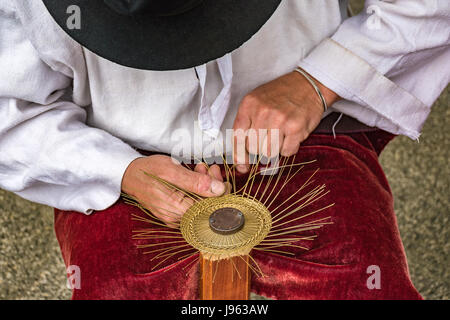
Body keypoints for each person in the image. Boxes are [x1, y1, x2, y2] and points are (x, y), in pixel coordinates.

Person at [0, 0, 448, 299]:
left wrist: (318, 81)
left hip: (306, 128)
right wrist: (119, 169)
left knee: (366, 284)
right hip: (122, 159)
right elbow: (10, 111)